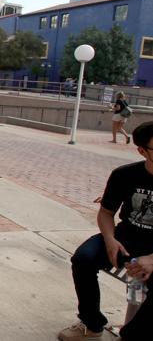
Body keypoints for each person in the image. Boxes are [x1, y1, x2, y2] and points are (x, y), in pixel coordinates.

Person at [58, 122, 153, 341]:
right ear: (142, 151)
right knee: (84, 258)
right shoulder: (124, 175)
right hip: (125, 239)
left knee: (141, 286)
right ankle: (92, 325)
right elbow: (106, 212)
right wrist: (109, 239)